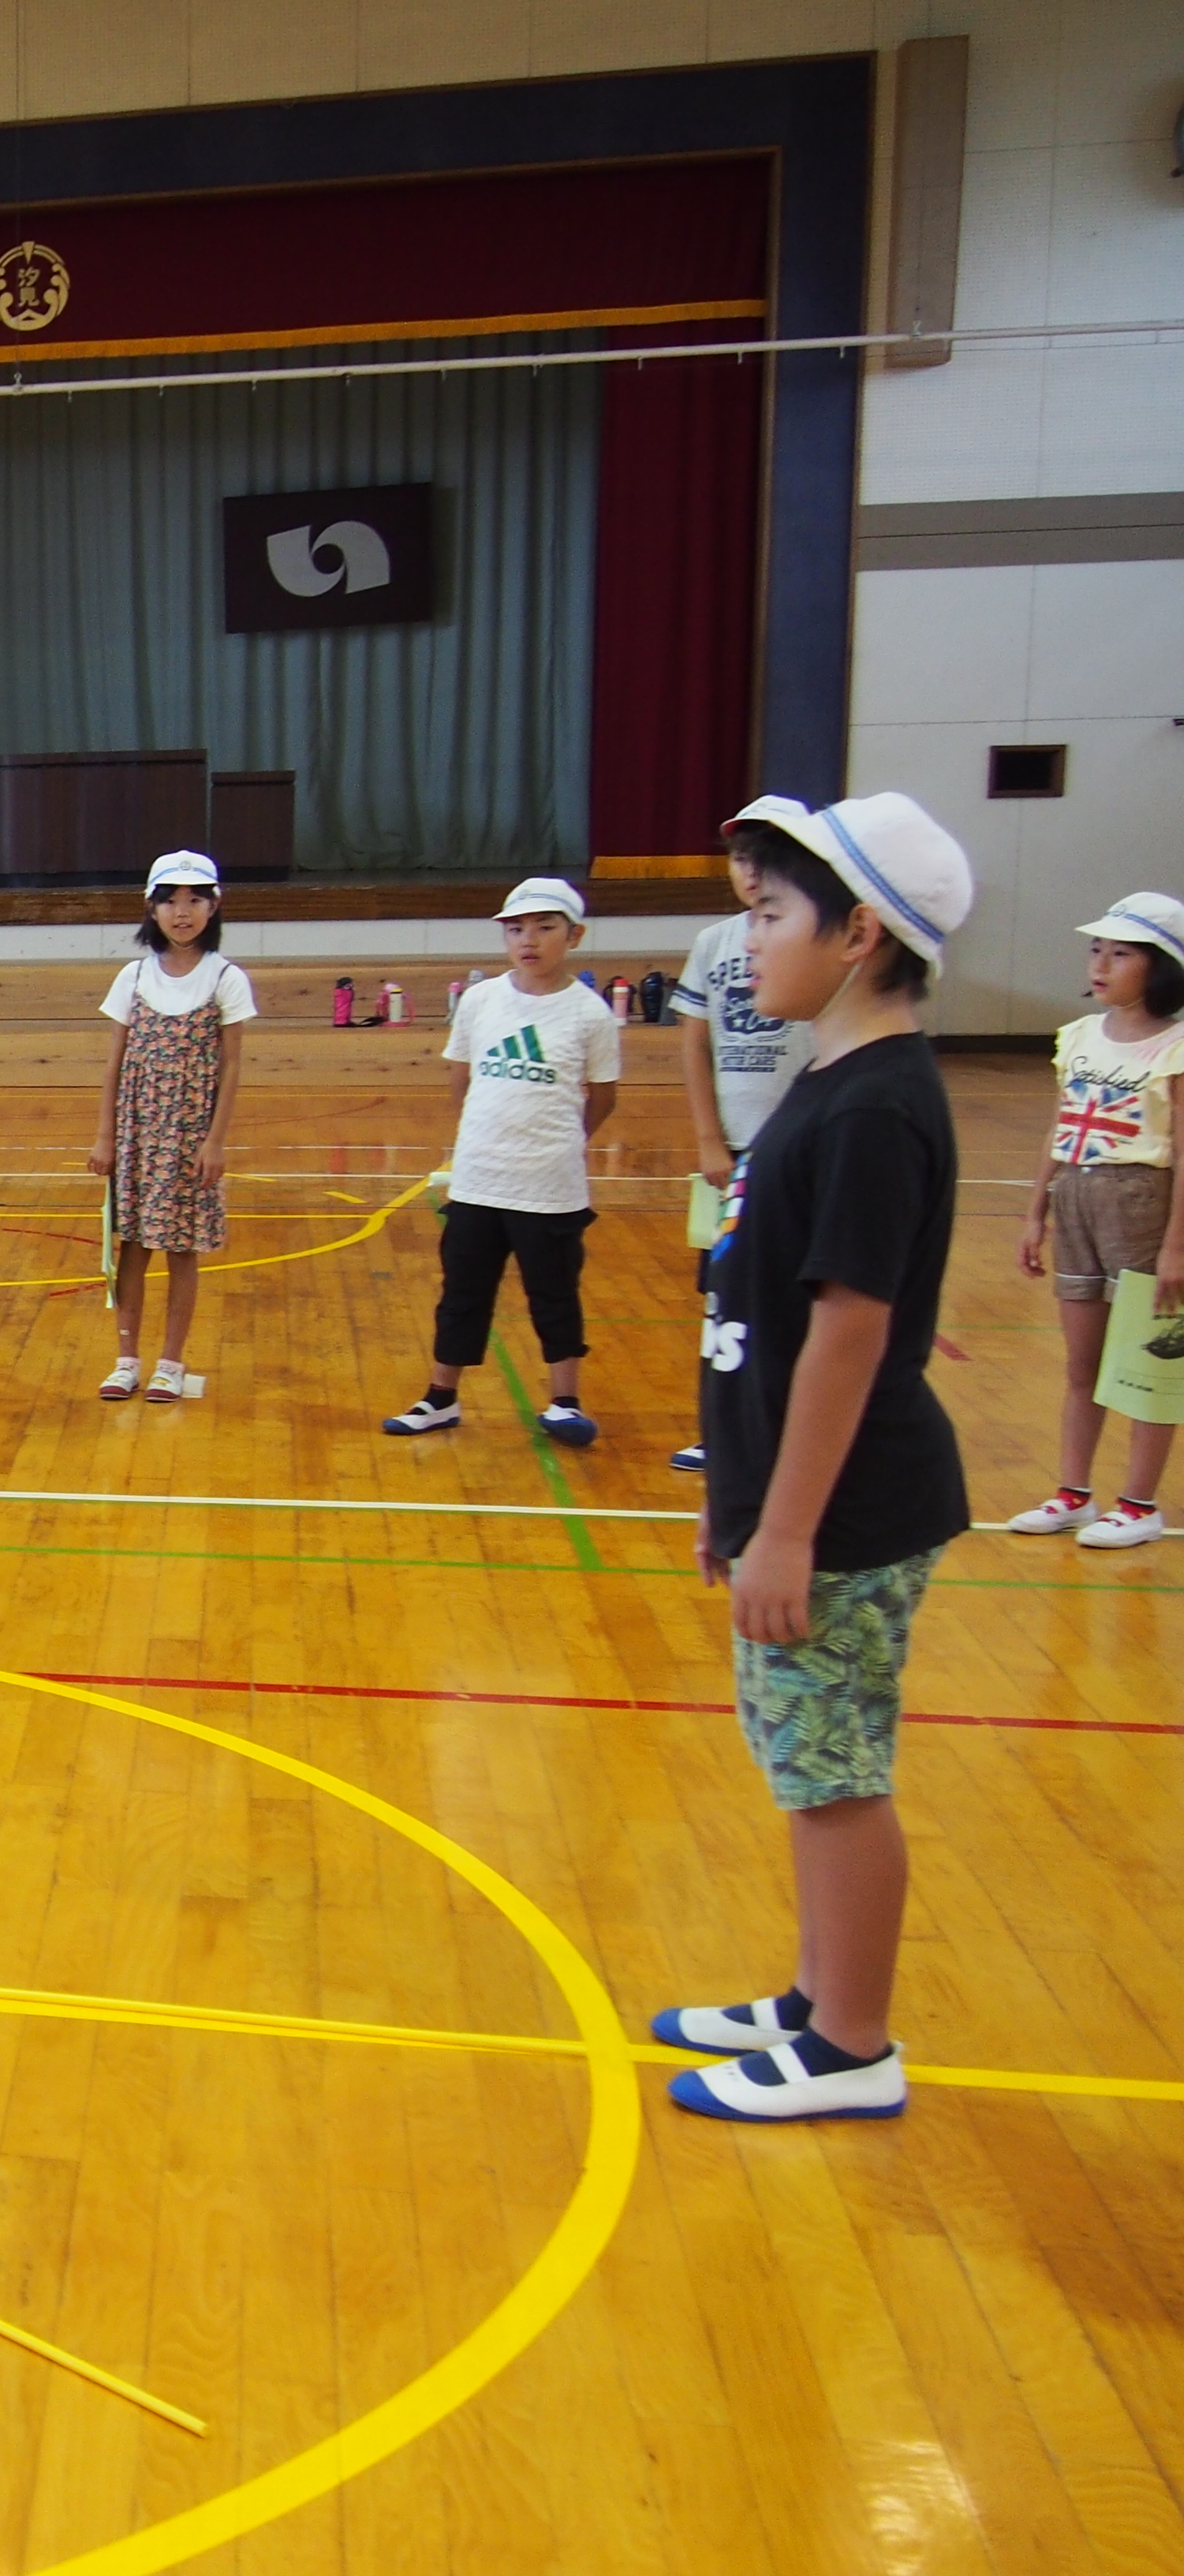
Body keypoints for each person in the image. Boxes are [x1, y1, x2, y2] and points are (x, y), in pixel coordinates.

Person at [654, 790, 975, 2123]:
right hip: (795, 1498)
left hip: (845, 1510)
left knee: (834, 1776)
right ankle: (812, 1993)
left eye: (771, 915)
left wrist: (783, 1529)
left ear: (858, 936)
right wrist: (737, 1504)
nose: (749, 942)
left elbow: (849, 1330)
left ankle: (851, 2044)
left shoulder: (872, 1108)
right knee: (806, 1761)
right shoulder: (833, 1082)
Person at [383, 877, 623, 1446]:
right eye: (516, 929)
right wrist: (484, 1140)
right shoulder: (480, 1000)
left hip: (551, 1188)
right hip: (478, 1183)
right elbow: (461, 1080)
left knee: (555, 1294)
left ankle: (565, 1402)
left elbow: (603, 1096)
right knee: (462, 1293)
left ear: (574, 935)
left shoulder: (590, 1015)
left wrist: (563, 1141)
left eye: (544, 927)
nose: (528, 940)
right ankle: (441, 1397)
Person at [1008, 889, 1184, 1550]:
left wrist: (1176, 1247)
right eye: (1096, 950)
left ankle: (1139, 1504)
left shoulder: (1176, 1047)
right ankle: (1073, 1494)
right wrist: (1036, 1211)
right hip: (1077, 1197)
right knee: (1082, 1365)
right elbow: (1061, 1127)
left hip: (1143, 1202)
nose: (1101, 964)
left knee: (1145, 1366)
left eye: (1121, 954)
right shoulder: (1078, 1036)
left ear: (1161, 967)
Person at [666, 800, 822, 1472]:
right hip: (731, 1155)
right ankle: (723, 1428)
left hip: (801, 1152)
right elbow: (695, 1045)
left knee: (798, 1295)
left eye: (765, 858)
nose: (751, 872)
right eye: (739, 858)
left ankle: (790, 1430)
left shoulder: (816, 939)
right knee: (724, 1295)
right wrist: (709, 1138)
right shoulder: (714, 944)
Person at [87, 850, 251, 1404]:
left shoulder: (226, 978)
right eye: (171, 901)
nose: (183, 912)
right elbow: (115, 1063)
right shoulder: (133, 976)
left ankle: (171, 1363)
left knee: (182, 1250)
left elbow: (232, 1066)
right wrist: (106, 1135)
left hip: (189, 1137)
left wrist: (215, 1141)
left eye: (195, 900)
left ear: (213, 907)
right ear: (151, 909)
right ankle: (126, 1360)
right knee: (132, 1247)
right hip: (137, 1134)